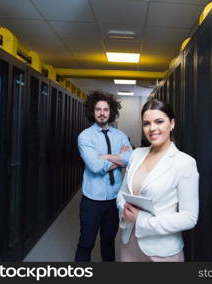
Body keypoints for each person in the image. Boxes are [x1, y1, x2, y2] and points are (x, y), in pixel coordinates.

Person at [116, 99, 199, 262]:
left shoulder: (184, 162)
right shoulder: (136, 154)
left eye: (159, 121)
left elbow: (189, 218)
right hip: (129, 242)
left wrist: (140, 219)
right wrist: (123, 207)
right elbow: (122, 193)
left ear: (172, 123)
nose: (152, 128)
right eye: (146, 123)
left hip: (161, 250)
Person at [75, 90, 132, 262]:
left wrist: (106, 157)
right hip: (92, 200)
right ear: (92, 112)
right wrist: (119, 159)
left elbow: (131, 159)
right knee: (86, 243)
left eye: (105, 109)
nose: (102, 113)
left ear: (111, 111)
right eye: (98, 109)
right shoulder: (85, 137)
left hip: (115, 199)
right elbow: (95, 166)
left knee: (108, 242)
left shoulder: (120, 136)